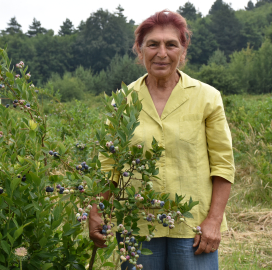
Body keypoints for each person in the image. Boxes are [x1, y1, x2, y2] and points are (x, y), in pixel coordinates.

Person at [88, 10, 235, 270]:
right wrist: (97, 209)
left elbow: (223, 165)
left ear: (183, 50)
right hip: (137, 224)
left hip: (193, 226)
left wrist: (213, 220)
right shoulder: (123, 100)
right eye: (153, 44)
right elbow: (109, 164)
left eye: (171, 44)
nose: (162, 53)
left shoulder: (207, 98)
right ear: (139, 49)